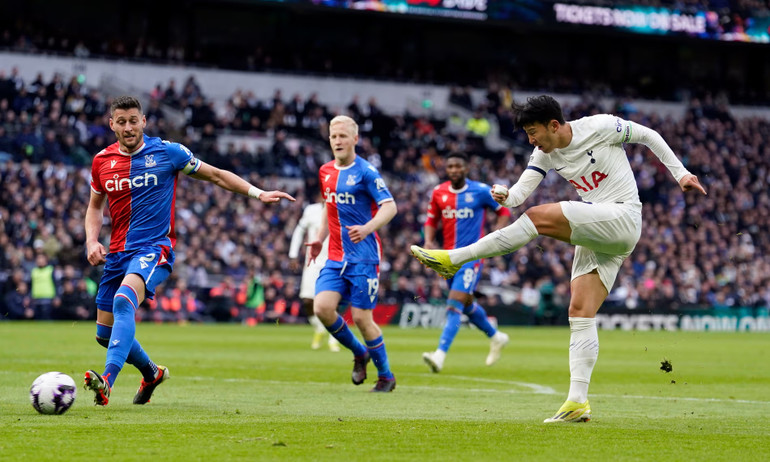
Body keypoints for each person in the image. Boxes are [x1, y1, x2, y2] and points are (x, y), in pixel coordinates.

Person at [411, 95, 706, 422]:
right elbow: (519, 196)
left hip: (622, 217)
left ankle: (455, 258)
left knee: (537, 217)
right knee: (580, 311)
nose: (530, 140)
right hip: (597, 228)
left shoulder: (601, 126)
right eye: (527, 134)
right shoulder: (543, 153)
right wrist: (505, 195)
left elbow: (648, 135)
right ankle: (577, 402)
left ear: (554, 125)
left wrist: (681, 174)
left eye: (533, 131)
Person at [83, 95, 295, 406]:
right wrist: (91, 239)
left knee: (124, 300)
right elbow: (94, 207)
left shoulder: (169, 152)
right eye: (122, 122)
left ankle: (107, 383)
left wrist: (258, 193)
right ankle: (152, 373)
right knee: (104, 334)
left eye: (133, 121)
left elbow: (217, 175)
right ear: (111, 124)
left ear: (143, 121)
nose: (128, 128)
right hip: (116, 254)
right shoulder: (102, 161)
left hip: (155, 248)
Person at [306, 115, 398, 392]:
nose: (338, 141)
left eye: (343, 136)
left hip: (364, 257)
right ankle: (360, 353)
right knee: (322, 308)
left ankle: (386, 376)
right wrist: (319, 238)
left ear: (355, 139)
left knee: (361, 318)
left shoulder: (367, 172)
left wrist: (368, 228)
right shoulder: (325, 171)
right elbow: (328, 206)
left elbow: (390, 206)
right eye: (334, 136)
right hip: (335, 255)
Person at [419, 151, 512, 373]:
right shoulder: (438, 192)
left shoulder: (480, 190)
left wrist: (495, 235)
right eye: (450, 166)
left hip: (471, 257)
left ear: (465, 169)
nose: (453, 170)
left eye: (457, 166)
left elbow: (504, 211)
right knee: (466, 304)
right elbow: (431, 219)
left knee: (454, 304)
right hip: (447, 258)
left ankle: (439, 356)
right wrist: (429, 241)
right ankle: (496, 336)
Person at [289, 193, 340, 351]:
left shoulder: (340, 210)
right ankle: (319, 329)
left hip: (333, 261)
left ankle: (333, 337)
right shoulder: (311, 210)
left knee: (331, 302)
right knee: (307, 300)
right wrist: (293, 254)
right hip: (312, 261)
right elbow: (299, 231)